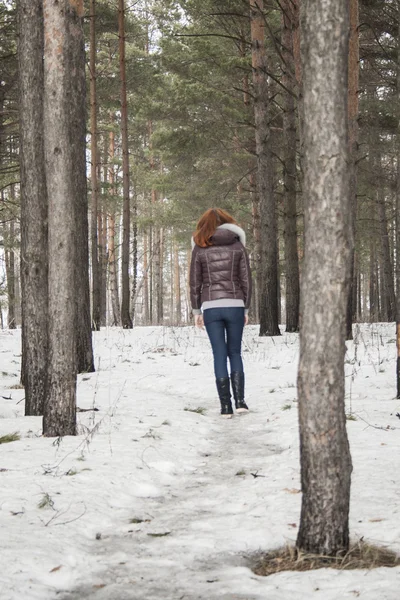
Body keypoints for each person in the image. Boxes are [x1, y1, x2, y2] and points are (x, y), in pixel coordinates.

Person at [189, 208, 252, 419]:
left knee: (219, 354)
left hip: (211, 306)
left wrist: (197, 311)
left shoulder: (199, 248)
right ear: (228, 224)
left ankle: (226, 407)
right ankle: (240, 402)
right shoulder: (238, 246)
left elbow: (195, 283)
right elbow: (246, 280)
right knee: (235, 352)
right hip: (235, 305)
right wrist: (245, 308)